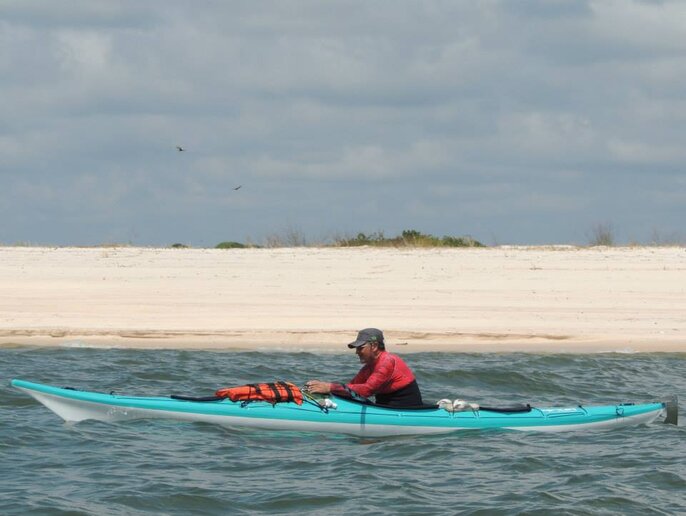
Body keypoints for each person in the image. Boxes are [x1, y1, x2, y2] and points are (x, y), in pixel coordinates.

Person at [305, 328, 423, 407]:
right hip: (386, 407)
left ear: (374, 346)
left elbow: (367, 390)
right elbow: (351, 389)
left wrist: (329, 387)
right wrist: (324, 393)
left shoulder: (387, 362)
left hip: (406, 409)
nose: (357, 352)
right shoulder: (369, 367)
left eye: (360, 348)